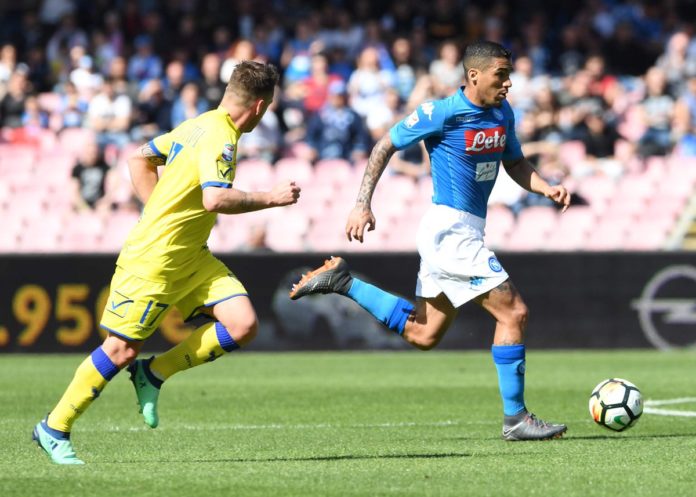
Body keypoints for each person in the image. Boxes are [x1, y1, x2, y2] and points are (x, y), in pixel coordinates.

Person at [290, 41, 570, 441]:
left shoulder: (502, 112)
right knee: (514, 313)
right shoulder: (442, 112)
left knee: (423, 334)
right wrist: (362, 204)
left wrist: (546, 187)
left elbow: (515, 162)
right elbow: (385, 144)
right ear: (474, 75)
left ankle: (345, 282)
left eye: (509, 75)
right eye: (501, 75)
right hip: (450, 230)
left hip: (464, 230)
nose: (508, 83)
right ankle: (516, 419)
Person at [33, 61, 301, 464]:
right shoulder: (221, 137)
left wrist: (159, 209)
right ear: (261, 107)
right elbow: (215, 198)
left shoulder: (197, 125)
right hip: (155, 258)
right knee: (120, 349)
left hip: (190, 255)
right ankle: (54, 427)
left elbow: (138, 159)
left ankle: (154, 373)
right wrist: (271, 197)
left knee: (242, 324)